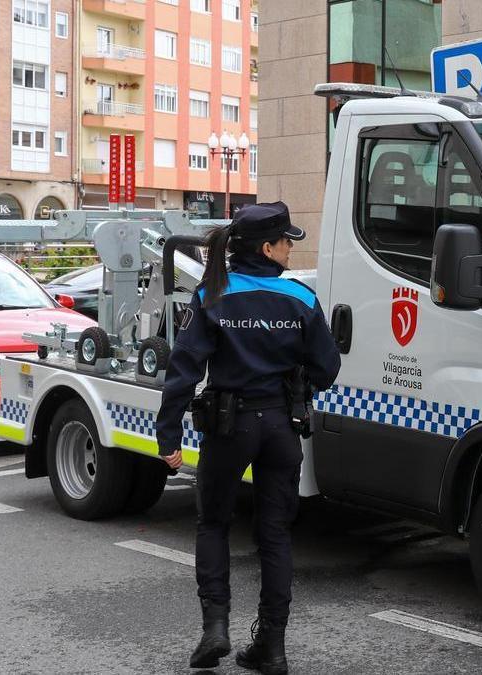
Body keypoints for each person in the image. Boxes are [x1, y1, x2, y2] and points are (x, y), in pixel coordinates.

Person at [155, 201, 341, 674]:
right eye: (286, 242)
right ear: (267, 247)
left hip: (229, 427)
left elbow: (183, 370)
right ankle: (271, 647)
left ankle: (215, 628)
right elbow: (328, 368)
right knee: (275, 533)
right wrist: (297, 383)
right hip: (281, 427)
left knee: (213, 523)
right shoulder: (299, 299)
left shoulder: (214, 295)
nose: (290, 250)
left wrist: (168, 435)